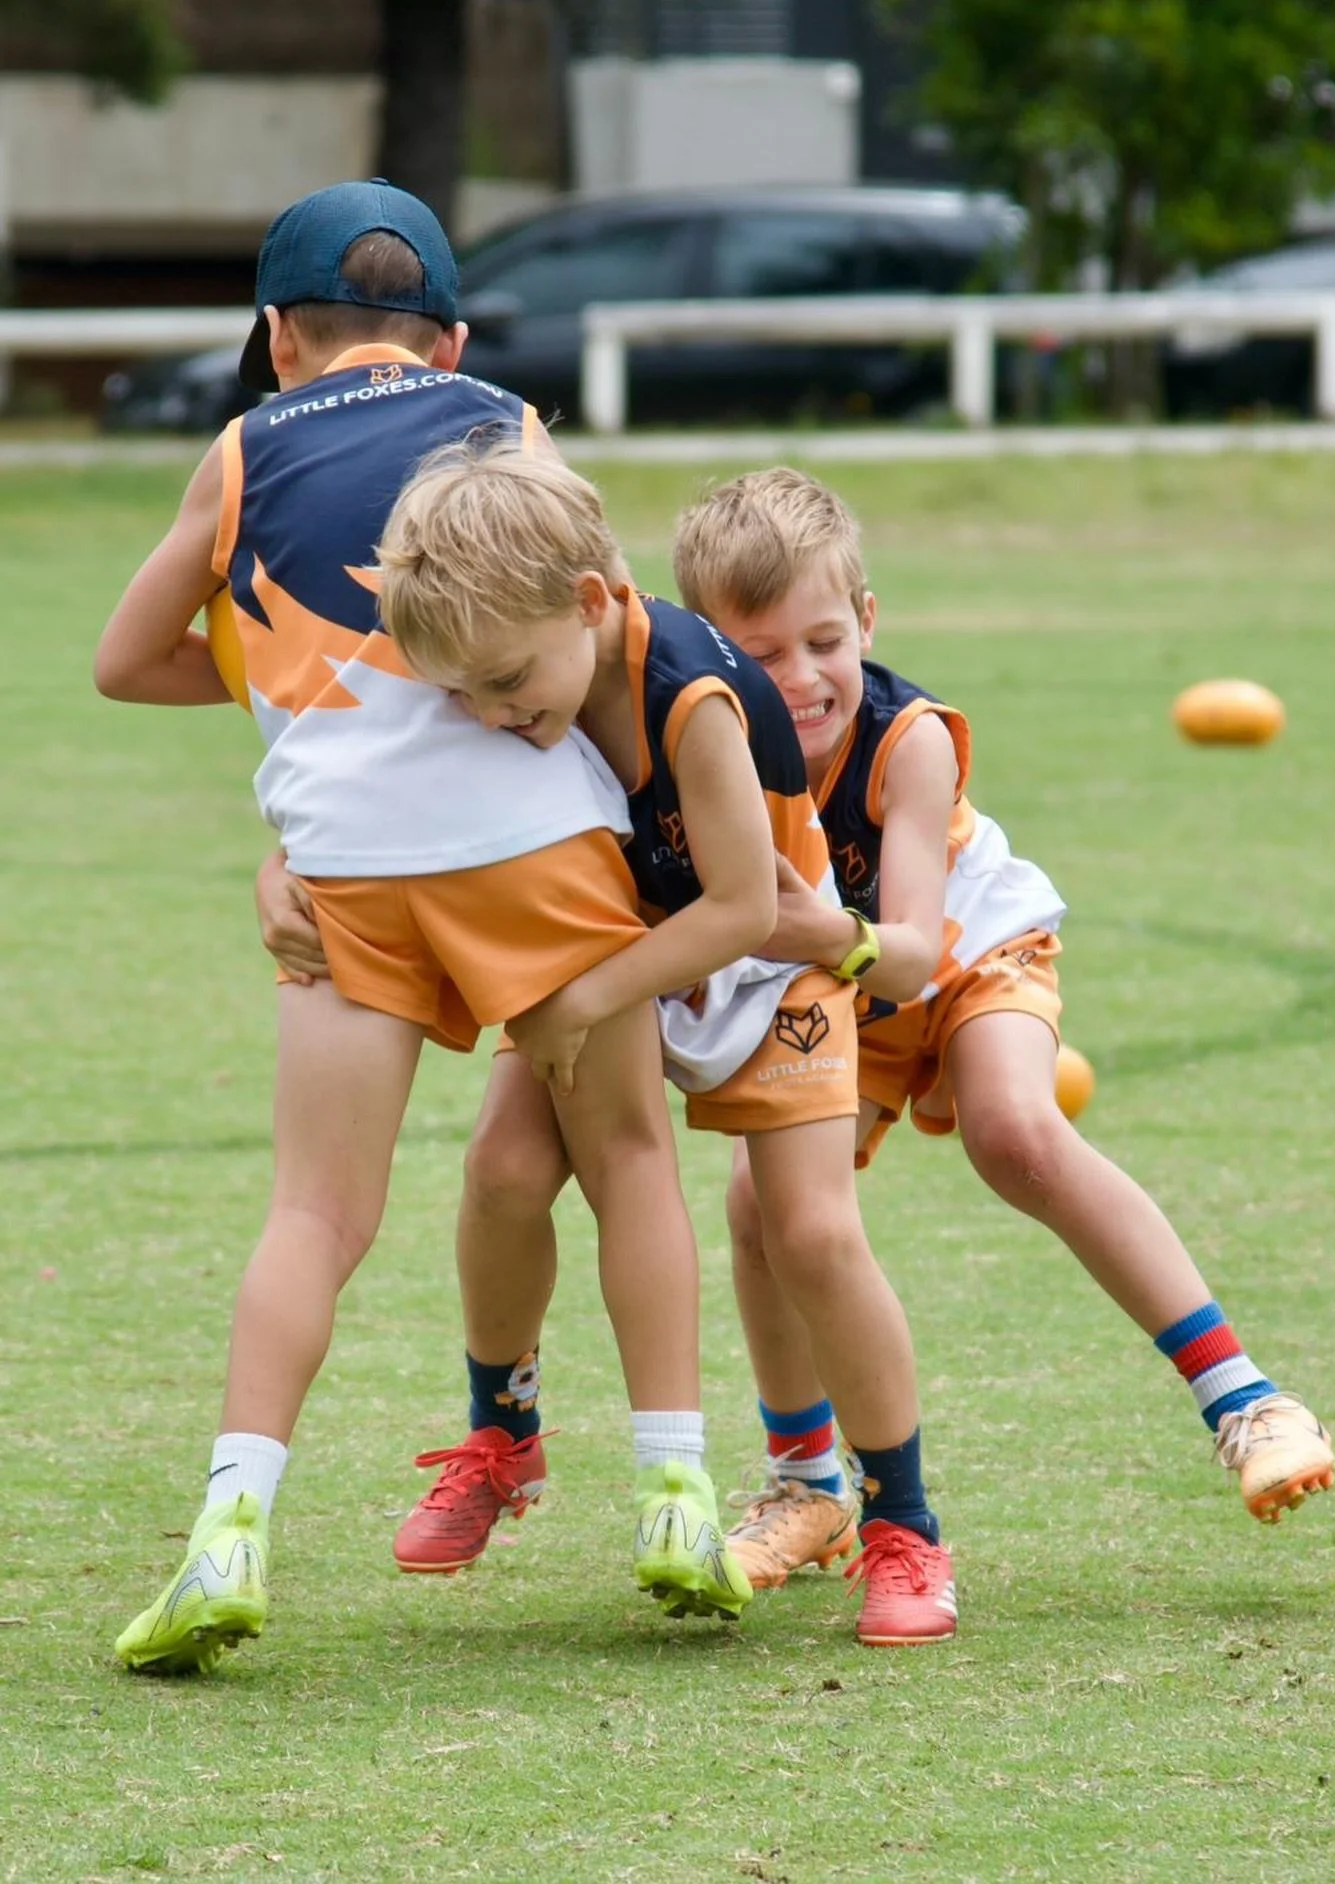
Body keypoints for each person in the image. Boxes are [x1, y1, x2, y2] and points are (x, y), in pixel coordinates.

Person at [95, 179, 749, 1677]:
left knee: (313, 1217)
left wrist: (285, 695)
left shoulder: (241, 449)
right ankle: (675, 1498)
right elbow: (607, 628)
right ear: (450, 340)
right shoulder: (504, 423)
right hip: (536, 853)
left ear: (278, 339)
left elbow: (126, 663)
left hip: (342, 875)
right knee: (628, 1163)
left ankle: (228, 1530)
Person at [666, 467, 1335, 1588]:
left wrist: (793, 925)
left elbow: (911, 950)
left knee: (1015, 1131)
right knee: (759, 1209)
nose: (802, 678)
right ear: (712, 653)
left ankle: (1248, 1400)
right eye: (763, 653)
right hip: (837, 991)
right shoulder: (706, 746)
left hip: (961, 954)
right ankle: (807, 1485)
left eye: (824, 642)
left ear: (866, 619)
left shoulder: (909, 742)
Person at [366, 442, 958, 1647]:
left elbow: (742, 910)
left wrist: (581, 1002)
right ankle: (503, 1432)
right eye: (462, 695)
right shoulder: (508, 654)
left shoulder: (691, 698)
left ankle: (903, 1526)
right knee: (503, 1172)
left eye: (503, 685)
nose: (489, 715)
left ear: (592, 603)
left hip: (764, 969)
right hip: (617, 957)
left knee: (810, 1234)